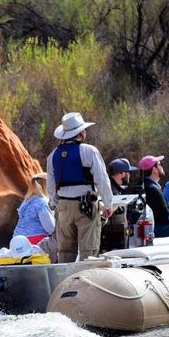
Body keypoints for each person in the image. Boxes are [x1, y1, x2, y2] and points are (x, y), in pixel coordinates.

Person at [46, 111, 115, 262]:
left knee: (65, 251)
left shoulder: (52, 156)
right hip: (86, 205)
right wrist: (108, 204)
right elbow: (102, 179)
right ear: (81, 133)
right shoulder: (89, 151)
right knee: (88, 252)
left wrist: (57, 204)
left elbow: (50, 187)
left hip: (63, 206)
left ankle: (66, 283)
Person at [101, 158, 139, 252]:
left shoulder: (113, 187)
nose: (129, 175)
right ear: (122, 174)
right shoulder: (111, 190)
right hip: (111, 242)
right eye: (128, 172)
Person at [13, 171, 56, 246]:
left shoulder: (26, 201)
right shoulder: (42, 202)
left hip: (16, 240)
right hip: (34, 240)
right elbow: (50, 228)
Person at [138, 154, 169, 238]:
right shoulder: (153, 189)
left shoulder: (140, 186)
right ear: (154, 169)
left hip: (143, 229)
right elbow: (166, 216)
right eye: (160, 164)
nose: (162, 166)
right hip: (155, 229)